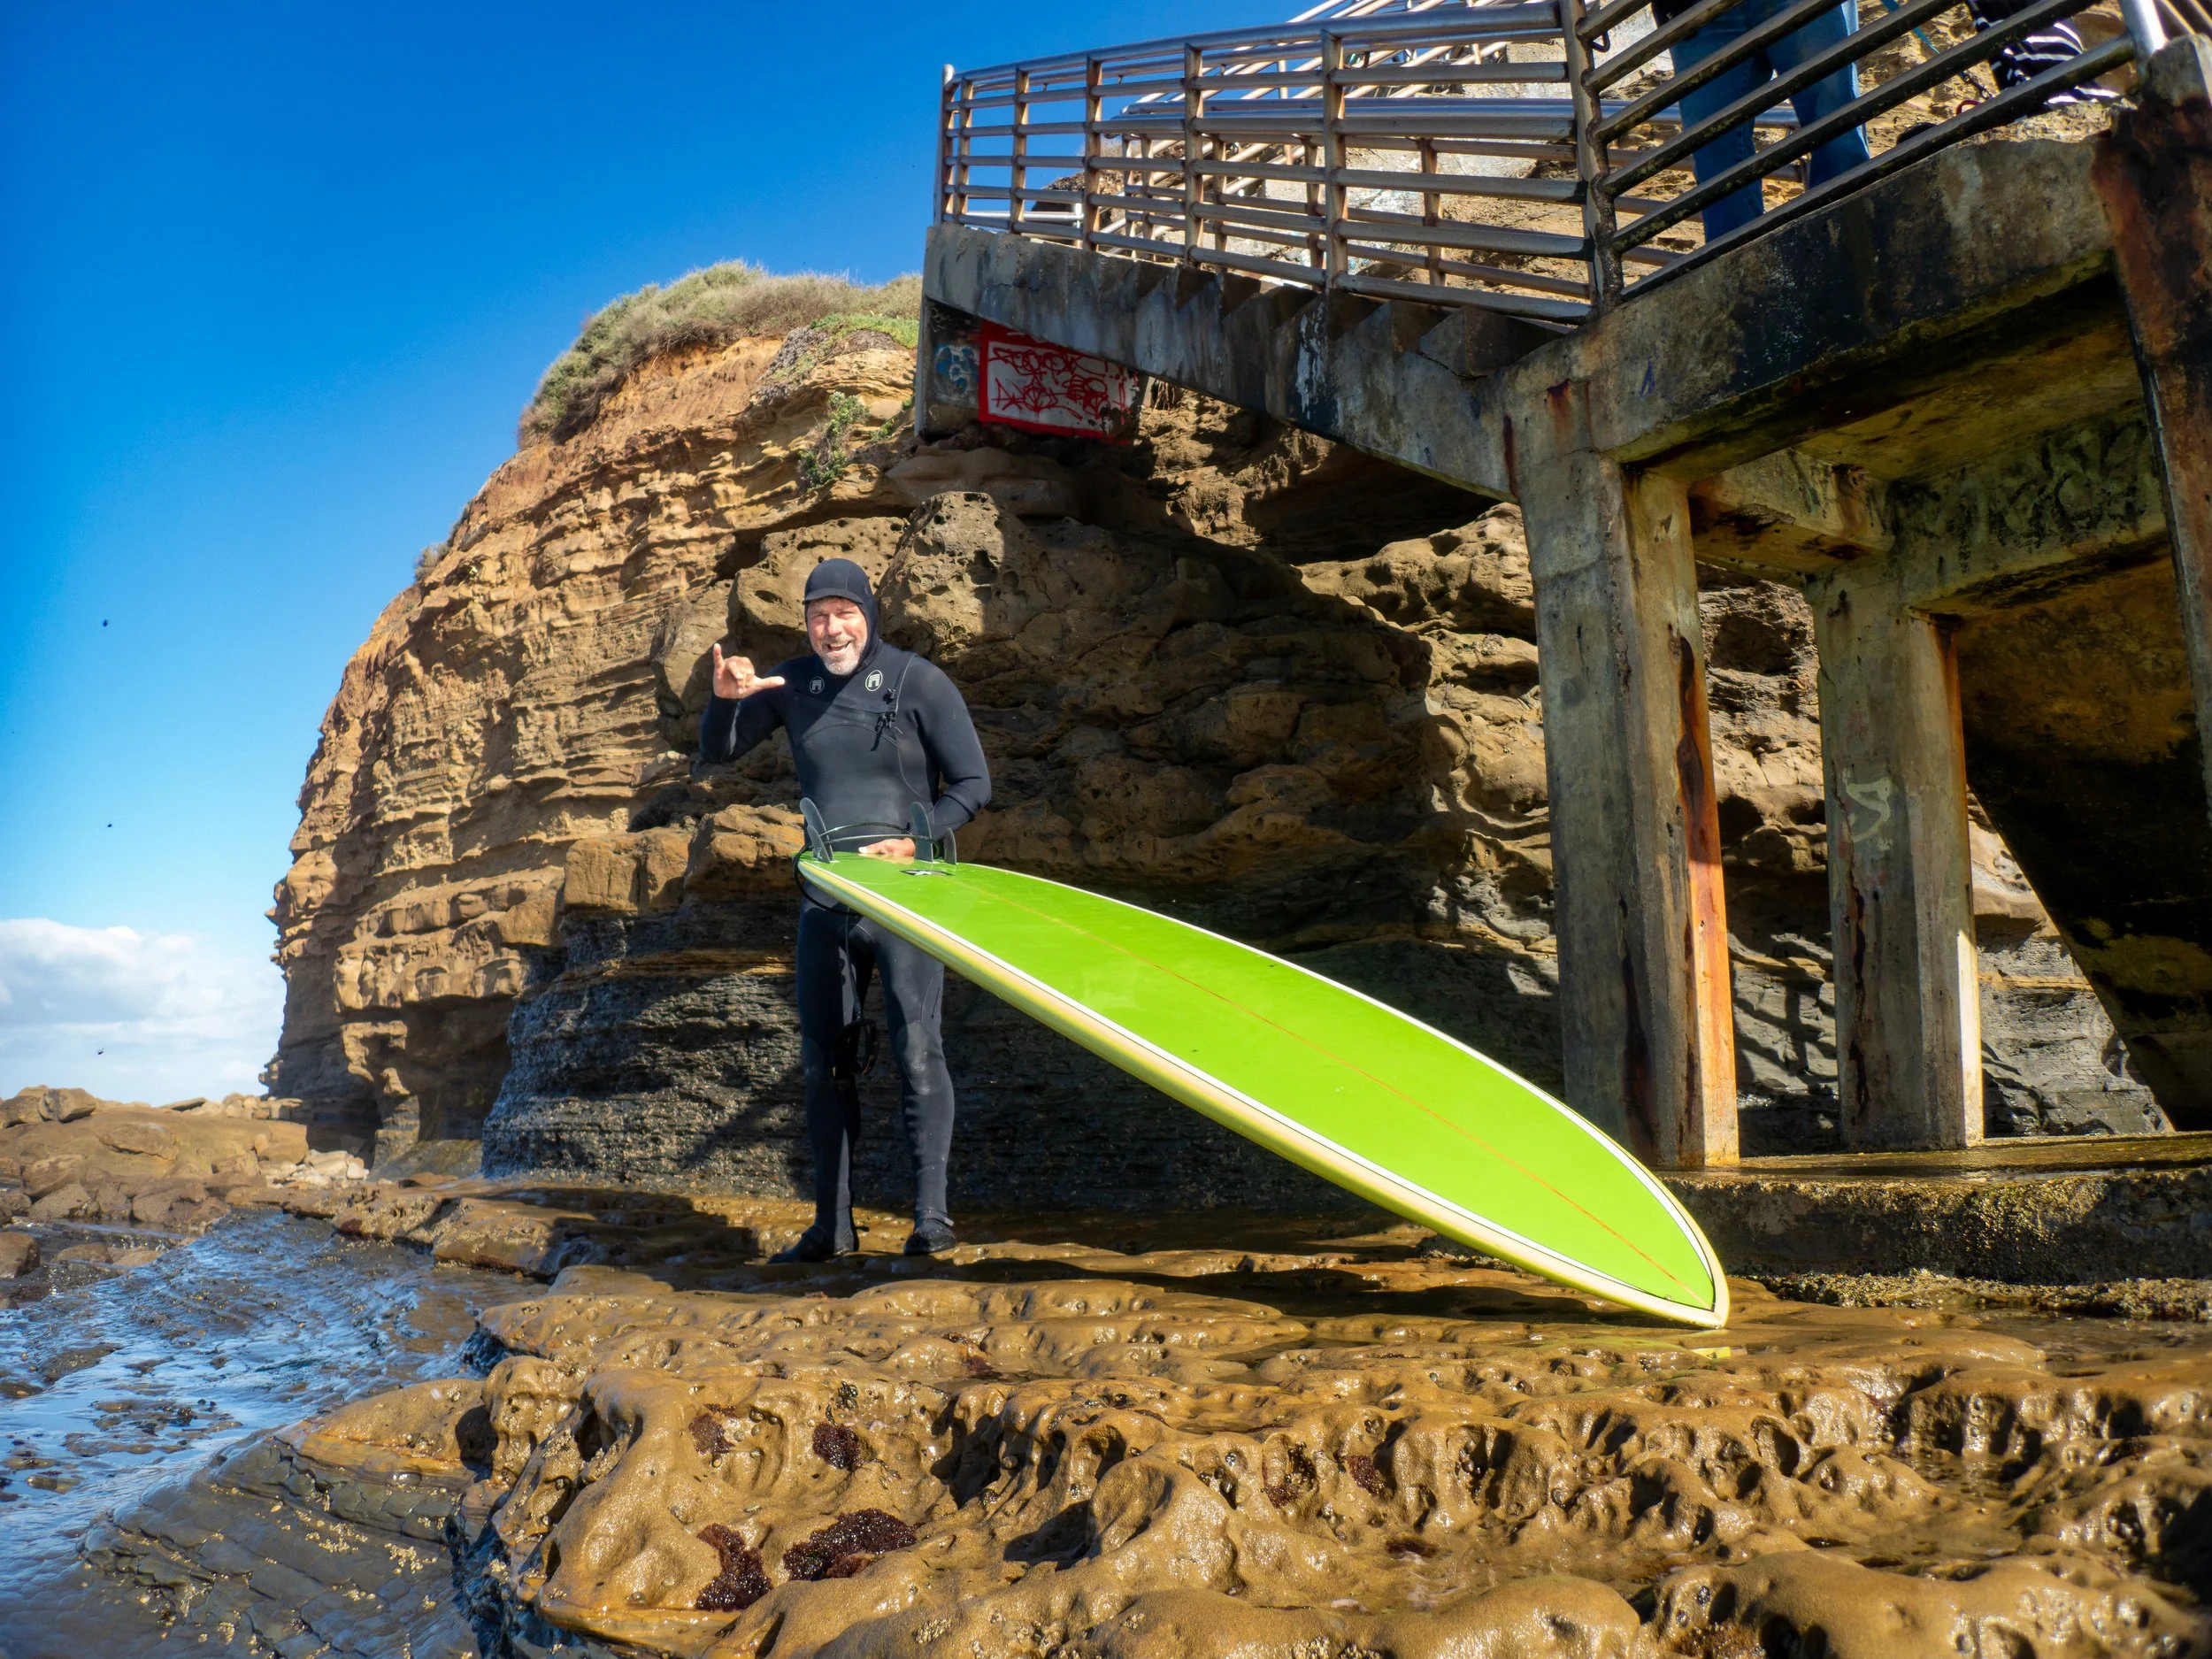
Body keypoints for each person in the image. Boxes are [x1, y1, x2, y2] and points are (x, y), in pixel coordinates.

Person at [695, 558, 992, 1262]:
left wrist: (917, 839)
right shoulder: (792, 683)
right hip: (826, 899)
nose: (832, 628)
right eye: (818, 616)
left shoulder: (919, 680)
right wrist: (724, 699)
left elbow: (975, 782)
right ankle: (833, 1226)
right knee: (823, 1062)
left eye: (843, 612)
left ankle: (932, 1219)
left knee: (919, 1049)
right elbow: (719, 750)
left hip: (906, 896)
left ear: (868, 613)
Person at [1660, 0, 1874, 244]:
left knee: (1836, 129)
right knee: (1712, 151)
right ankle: (1740, 269)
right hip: (1697, 13)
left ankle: (1851, 252)